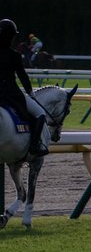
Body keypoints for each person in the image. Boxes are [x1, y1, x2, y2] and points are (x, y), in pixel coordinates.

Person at [0, 19, 47, 157]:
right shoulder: (14, 55)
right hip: (11, 95)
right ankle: (34, 146)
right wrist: (31, 93)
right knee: (40, 114)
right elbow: (23, 77)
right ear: (11, 37)